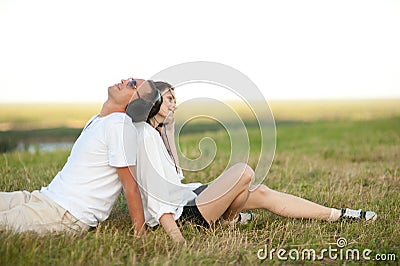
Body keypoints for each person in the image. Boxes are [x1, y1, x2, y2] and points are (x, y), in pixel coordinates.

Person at [131, 82, 377, 243]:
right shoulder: (145, 136)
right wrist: (178, 239)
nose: (174, 103)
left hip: (188, 196)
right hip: (183, 214)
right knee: (243, 173)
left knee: (259, 192)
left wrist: (169, 126)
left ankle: (339, 215)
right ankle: (225, 223)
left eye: (176, 98)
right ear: (153, 104)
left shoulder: (158, 133)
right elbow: (155, 194)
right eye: (168, 98)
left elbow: (172, 183)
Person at [0, 78, 154, 235]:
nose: (125, 80)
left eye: (132, 84)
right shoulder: (98, 120)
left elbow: (130, 186)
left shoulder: (120, 125)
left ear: (136, 104)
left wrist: (140, 233)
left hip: (65, 214)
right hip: (44, 198)